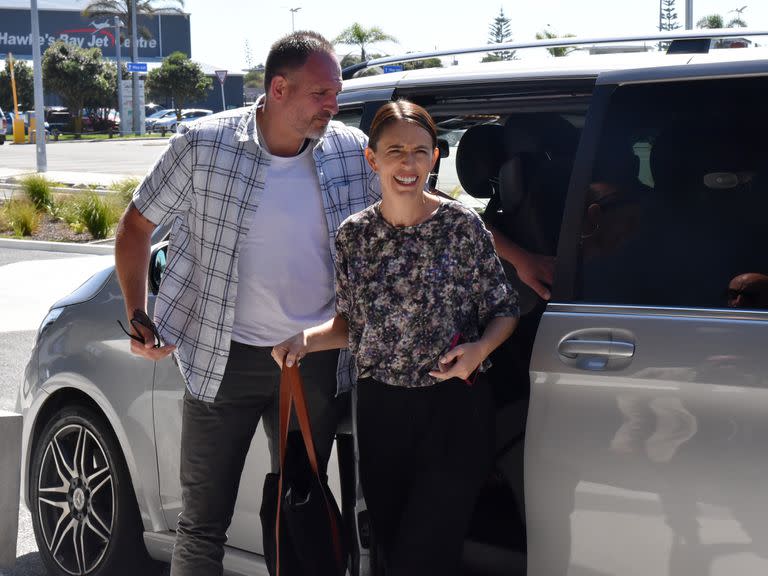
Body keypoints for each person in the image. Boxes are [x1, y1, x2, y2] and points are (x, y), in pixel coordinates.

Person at [114, 31, 378, 576]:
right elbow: (136, 227)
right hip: (221, 359)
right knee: (201, 521)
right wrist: (139, 316)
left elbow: (417, 203)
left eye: (336, 93)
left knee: (298, 509)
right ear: (279, 89)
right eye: (321, 94)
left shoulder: (349, 152)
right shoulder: (202, 145)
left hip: (310, 360)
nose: (334, 105)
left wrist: (514, 254)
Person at [272, 100, 519, 576]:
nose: (408, 164)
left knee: (421, 555)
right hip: (382, 413)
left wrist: (479, 351)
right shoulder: (353, 237)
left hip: (454, 411)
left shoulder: (461, 227)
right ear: (373, 159)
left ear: (434, 158)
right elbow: (351, 326)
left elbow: (503, 310)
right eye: (396, 151)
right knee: (389, 550)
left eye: (420, 152)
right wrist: (304, 340)